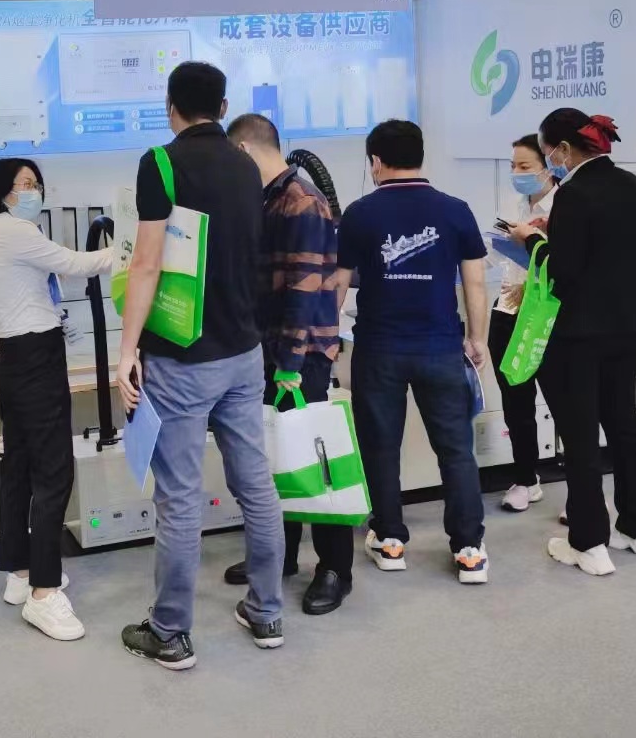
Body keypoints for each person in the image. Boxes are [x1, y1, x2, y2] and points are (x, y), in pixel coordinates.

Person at [116, 62, 285, 671]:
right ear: (223, 106)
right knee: (256, 484)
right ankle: (267, 612)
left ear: (170, 107)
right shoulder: (246, 164)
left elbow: (146, 264)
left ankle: (169, 632)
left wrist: (126, 351)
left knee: (181, 498)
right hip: (244, 353)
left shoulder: (161, 163)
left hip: (182, 360)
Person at [508, 110, 636, 576]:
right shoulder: (631, 185)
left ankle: (589, 542)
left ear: (562, 149)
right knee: (623, 422)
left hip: (579, 331)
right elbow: (607, 249)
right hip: (625, 322)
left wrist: (531, 240)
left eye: (547, 153)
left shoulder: (573, 195)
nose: (549, 162)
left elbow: (564, 270)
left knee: (579, 433)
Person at [336, 120, 491, 585]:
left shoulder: (360, 213)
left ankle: (390, 540)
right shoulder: (456, 210)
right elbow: (475, 284)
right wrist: (477, 339)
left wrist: (323, 340)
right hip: (441, 346)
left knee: (381, 447)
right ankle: (469, 549)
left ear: (376, 162)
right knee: (456, 450)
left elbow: (337, 284)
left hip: (379, 348)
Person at [0, 157, 114, 642]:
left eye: (36, 183)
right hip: (34, 357)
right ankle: (44, 592)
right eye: (25, 184)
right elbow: (75, 264)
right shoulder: (13, 231)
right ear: (2, 191)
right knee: (53, 470)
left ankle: (20, 570)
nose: (34, 191)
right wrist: (133, 249)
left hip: (16, 356)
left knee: (20, 466)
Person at [225, 113, 353, 615]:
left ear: (243, 150)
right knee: (277, 459)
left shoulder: (301, 200)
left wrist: (290, 363)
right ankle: (280, 554)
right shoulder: (268, 197)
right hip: (270, 348)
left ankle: (335, 569)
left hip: (299, 356)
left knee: (315, 460)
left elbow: (304, 288)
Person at [488, 134, 558, 512]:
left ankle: (583, 490)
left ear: (548, 166)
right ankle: (526, 479)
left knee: (564, 400)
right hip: (509, 306)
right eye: (513, 165)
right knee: (515, 400)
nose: (517, 172)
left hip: (545, 313)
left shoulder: (564, 205)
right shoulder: (514, 204)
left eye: (525, 166)